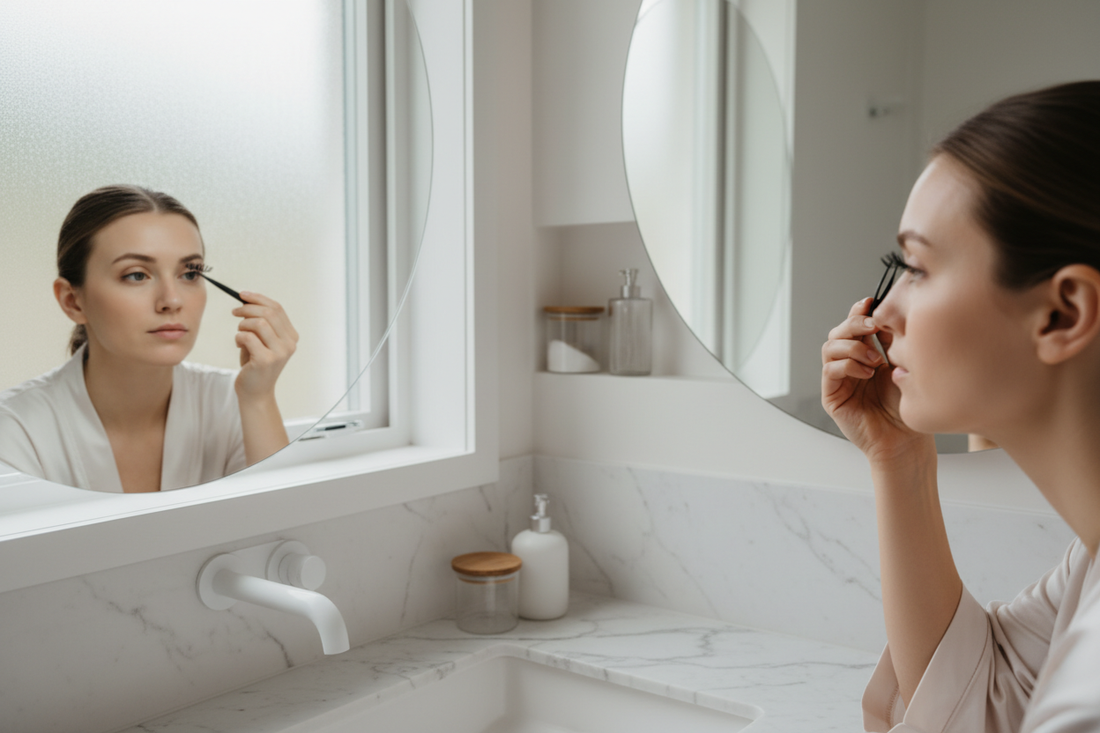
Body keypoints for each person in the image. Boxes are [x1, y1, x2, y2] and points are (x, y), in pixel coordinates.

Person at [822, 81, 1100, 731]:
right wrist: (897, 456)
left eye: (914, 267)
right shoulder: (1088, 565)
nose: (883, 315)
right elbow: (984, 701)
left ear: (1063, 313)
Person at [0, 185, 298, 493]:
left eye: (190, 274)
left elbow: (288, 531)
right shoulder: (15, 430)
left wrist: (259, 399)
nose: (172, 300)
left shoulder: (233, 402)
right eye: (136, 275)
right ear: (73, 302)